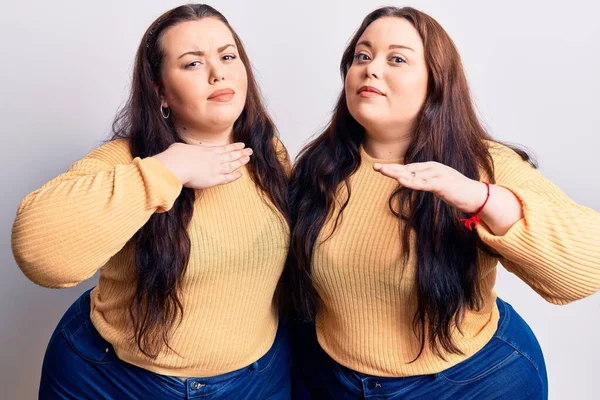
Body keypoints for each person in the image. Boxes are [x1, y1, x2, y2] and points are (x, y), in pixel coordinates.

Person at [288, 6, 600, 400]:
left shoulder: (484, 165)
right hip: (333, 380)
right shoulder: (318, 168)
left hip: (473, 383)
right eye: (361, 56)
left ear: (436, 83)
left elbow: (588, 268)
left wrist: (480, 198)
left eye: (396, 58)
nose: (371, 69)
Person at [11, 4, 291, 399]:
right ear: (160, 89)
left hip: (254, 381)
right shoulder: (126, 160)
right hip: (113, 379)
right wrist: (170, 169)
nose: (218, 72)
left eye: (228, 56)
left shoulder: (270, 155)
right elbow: (39, 255)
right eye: (192, 63)